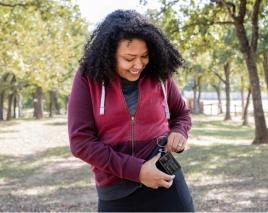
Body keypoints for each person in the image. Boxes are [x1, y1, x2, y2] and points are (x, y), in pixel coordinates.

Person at [67, 10, 194, 212]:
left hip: (166, 173)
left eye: (144, 56)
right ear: (110, 54)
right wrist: (139, 171)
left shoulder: (160, 74)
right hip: (114, 187)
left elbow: (182, 114)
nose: (138, 65)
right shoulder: (87, 78)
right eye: (129, 58)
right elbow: (80, 142)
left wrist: (180, 132)